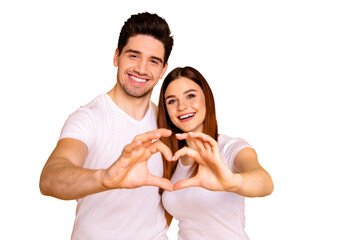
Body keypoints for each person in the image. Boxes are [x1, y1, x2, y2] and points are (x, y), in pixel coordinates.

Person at [39, 12, 175, 240]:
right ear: (116, 57)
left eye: (153, 61)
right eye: (134, 55)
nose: (142, 69)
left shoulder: (168, 123)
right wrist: (106, 178)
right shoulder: (88, 118)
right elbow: (50, 178)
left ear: (163, 70)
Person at [157, 66, 274, 240]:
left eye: (190, 96)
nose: (182, 106)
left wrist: (233, 182)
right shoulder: (172, 159)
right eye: (172, 101)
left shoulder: (229, 148)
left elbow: (265, 182)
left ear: (207, 99)